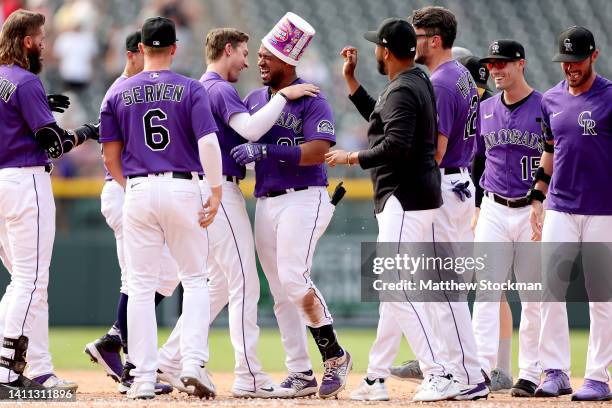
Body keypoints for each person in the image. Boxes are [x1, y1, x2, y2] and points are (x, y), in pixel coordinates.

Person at [155, 27, 318, 399]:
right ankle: (249, 376)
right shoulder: (218, 88)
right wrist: (284, 96)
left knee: (221, 285)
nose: (248, 62)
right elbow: (249, 129)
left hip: (194, 186)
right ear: (227, 49)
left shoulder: (196, 87)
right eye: (244, 52)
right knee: (245, 282)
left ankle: (169, 357)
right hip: (218, 188)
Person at [327, 18, 462, 402]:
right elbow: (381, 117)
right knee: (393, 292)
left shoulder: (404, 89)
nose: (374, 51)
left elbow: (396, 145)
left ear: (386, 50)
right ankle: (376, 378)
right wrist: (351, 82)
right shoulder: (412, 82)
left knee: (396, 288)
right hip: (413, 198)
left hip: (403, 198)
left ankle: (440, 372)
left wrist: (351, 156)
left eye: (377, 46)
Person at [100, 16, 223, 400]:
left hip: (136, 189)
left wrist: (130, 185)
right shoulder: (189, 88)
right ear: (173, 48)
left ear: (140, 50)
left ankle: (142, 378)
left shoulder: (117, 92)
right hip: (183, 185)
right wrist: (216, 191)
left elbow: (109, 155)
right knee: (196, 278)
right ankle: (191, 363)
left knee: (138, 287)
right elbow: (207, 144)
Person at [230, 12, 351, 399]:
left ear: (288, 60)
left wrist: (264, 148)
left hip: (305, 196)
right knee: (281, 291)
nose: (260, 62)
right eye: (260, 55)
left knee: (294, 276)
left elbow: (318, 151)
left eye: (267, 55)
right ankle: (300, 372)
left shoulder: (311, 97)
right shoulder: (254, 99)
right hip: (267, 200)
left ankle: (334, 355)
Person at [381, 6, 488, 400]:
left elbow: (437, 150)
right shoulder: (459, 74)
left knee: (440, 289)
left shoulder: (442, 81)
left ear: (436, 40)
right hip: (459, 184)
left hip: (444, 184)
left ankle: (464, 374)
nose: (415, 41)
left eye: (420, 35)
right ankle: (467, 371)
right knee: (445, 288)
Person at [0, 9, 97, 393]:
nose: (46, 44)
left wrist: (41, 111)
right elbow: (53, 144)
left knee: (29, 284)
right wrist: (86, 132)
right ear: (26, 41)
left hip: (2, 183)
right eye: (41, 37)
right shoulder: (24, 82)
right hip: (25, 183)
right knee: (30, 281)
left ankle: (39, 368)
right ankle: (7, 370)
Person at [84, 30, 175, 396]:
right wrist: (131, 190)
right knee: (138, 281)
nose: (150, 58)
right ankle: (133, 367)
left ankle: (115, 340)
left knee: (164, 276)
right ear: (133, 53)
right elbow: (111, 155)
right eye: (144, 51)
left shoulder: (135, 90)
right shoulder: (122, 90)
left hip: (129, 192)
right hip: (125, 190)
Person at [529, 26, 612, 402]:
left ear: (593, 56)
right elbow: (550, 149)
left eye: (577, 60)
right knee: (550, 290)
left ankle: (597, 376)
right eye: (565, 62)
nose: (570, 68)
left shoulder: (610, 97)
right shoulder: (550, 100)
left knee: (602, 297)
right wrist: (537, 197)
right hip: (560, 205)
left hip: (603, 210)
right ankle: (556, 371)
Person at [471, 39, 544, 397]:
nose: (496, 69)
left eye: (503, 62)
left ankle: (530, 372)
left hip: (532, 209)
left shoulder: (545, 106)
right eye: (492, 63)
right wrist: (476, 207)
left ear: (521, 64)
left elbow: (558, 158)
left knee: (532, 297)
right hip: (494, 209)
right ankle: (481, 369)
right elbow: (477, 161)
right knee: (486, 292)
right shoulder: (485, 109)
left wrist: (546, 202)